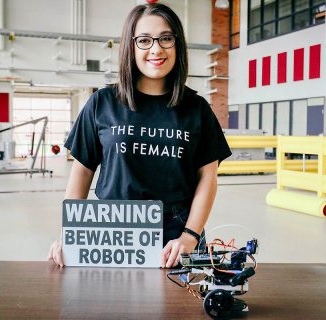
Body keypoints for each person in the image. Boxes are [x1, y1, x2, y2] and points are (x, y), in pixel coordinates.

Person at [48, 2, 231, 269]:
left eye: (166, 38)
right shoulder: (102, 103)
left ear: (177, 44)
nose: (156, 49)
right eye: (144, 40)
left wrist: (189, 237)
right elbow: (82, 171)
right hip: (109, 233)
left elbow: (208, 177)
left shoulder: (197, 109)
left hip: (176, 238)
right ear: (130, 46)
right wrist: (70, 233)